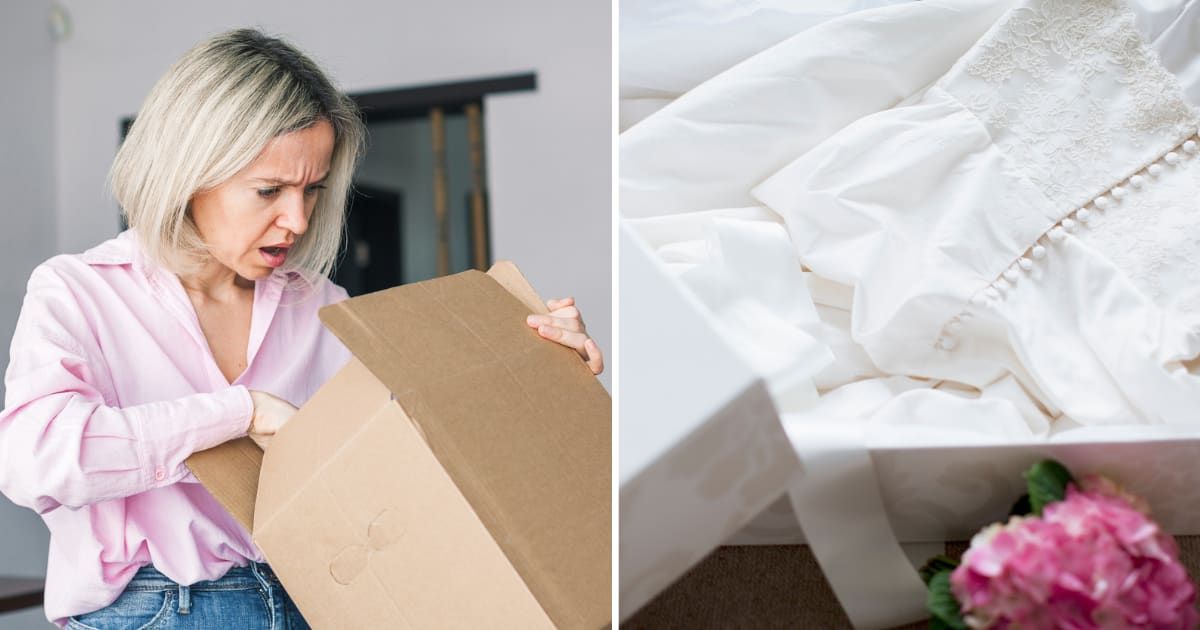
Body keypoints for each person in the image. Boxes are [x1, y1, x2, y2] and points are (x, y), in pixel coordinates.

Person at [0, 27, 603, 629]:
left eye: (312, 190)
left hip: (314, 601)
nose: (297, 219)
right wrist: (242, 413)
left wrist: (536, 373)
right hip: (159, 608)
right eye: (269, 191)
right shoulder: (79, 292)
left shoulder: (320, 307)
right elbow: (34, 461)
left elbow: (413, 469)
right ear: (187, 175)